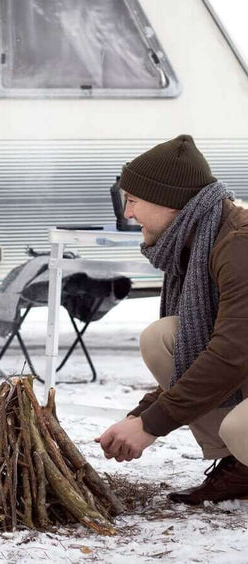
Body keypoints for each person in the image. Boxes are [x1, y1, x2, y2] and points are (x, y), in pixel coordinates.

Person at [96, 134, 248, 504]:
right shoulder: (203, 237)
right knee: (164, 337)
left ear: (171, 202)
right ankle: (241, 469)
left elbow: (229, 356)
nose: (128, 213)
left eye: (133, 201)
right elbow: (198, 353)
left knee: (241, 428)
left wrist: (151, 425)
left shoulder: (240, 245)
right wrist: (141, 416)